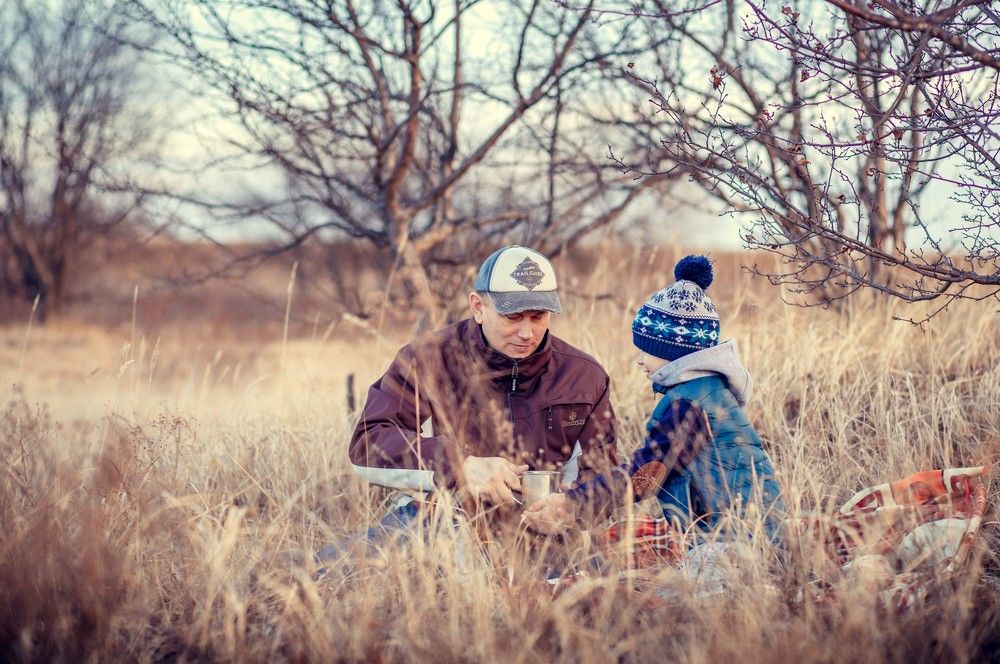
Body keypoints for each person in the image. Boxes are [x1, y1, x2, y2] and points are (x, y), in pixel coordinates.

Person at [320, 245, 619, 560]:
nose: (527, 332)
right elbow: (368, 443)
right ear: (478, 307)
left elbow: (602, 472)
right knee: (324, 572)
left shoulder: (584, 375)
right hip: (440, 521)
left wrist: (572, 507)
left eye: (538, 315)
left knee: (603, 586)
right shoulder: (428, 357)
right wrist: (460, 466)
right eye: (513, 316)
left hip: (547, 538)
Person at [522, 255, 784, 542]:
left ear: (673, 351)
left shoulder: (688, 405)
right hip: (750, 530)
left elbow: (647, 472)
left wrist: (574, 501)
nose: (639, 360)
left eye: (646, 350)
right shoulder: (707, 391)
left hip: (733, 538)